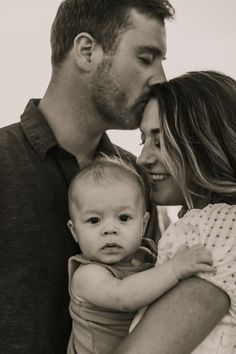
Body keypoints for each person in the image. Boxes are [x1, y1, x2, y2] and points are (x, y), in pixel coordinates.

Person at [0, 1, 175, 353]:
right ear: (86, 51)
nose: (160, 78)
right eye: (145, 58)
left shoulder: (141, 177)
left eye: (161, 61)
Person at [113, 70, 236, 354]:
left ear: (205, 141)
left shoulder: (217, 226)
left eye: (161, 140)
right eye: (143, 140)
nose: (143, 159)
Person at [66, 155, 215, 354]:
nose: (110, 229)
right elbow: (123, 297)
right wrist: (175, 268)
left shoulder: (149, 256)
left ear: (143, 224)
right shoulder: (87, 275)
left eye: (124, 218)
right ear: (74, 231)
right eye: (94, 220)